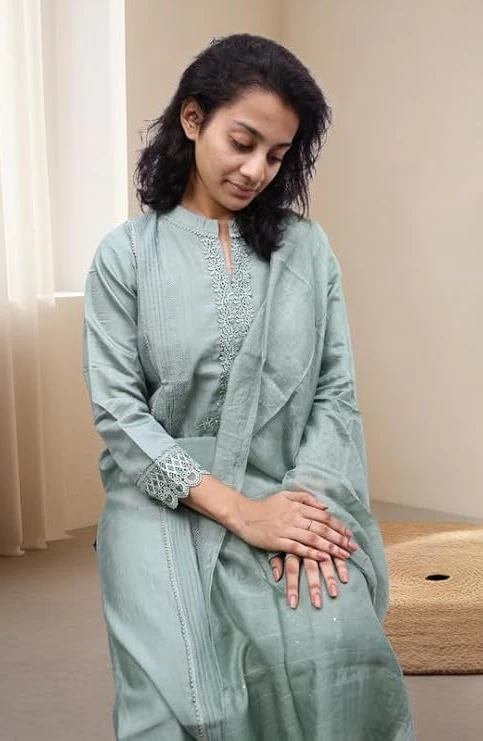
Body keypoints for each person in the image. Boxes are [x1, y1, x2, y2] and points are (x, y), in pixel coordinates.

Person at [83, 33, 414, 741]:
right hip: (162, 493)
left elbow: (334, 393)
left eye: (277, 154)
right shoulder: (126, 256)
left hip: (285, 482)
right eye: (242, 142)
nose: (257, 169)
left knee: (336, 645)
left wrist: (303, 510)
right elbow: (118, 413)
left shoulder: (306, 250)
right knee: (180, 698)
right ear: (192, 118)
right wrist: (240, 513)